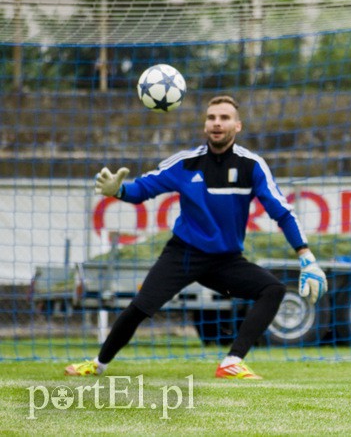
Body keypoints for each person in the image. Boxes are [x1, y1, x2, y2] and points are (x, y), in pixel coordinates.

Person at [65, 95, 327, 380]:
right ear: (205, 126)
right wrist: (118, 191)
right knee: (140, 307)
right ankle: (98, 364)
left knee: (273, 290)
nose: (217, 123)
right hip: (184, 254)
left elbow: (283, 213)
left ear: (237, 126)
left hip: (226, 260)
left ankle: (232, 362)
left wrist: (306, 257)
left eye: (224, 118)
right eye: (211, 117)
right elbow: (142, 190)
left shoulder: (252, 166)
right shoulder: (185, 163)